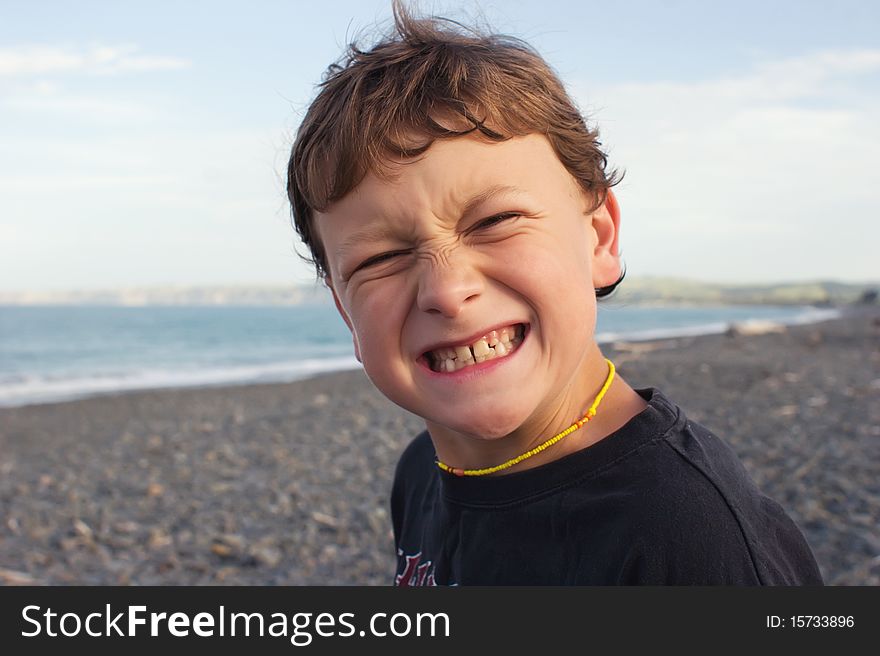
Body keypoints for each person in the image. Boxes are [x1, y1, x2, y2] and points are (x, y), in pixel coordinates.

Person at [286, 1, 824, 585]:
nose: (447, 288)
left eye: (495, 221)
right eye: (381, 258)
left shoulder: (685, 536)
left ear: (598, 237)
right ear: (344, 309)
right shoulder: (422, 472)